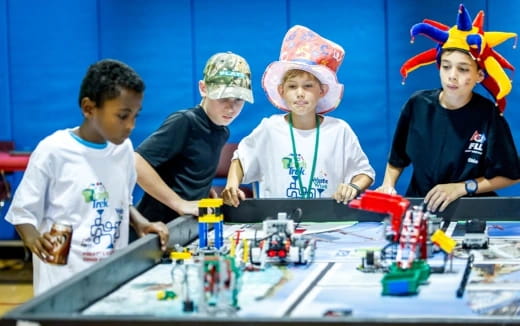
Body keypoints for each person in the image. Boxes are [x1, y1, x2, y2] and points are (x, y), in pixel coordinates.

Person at [4, 59, 169, 295]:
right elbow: (22, 211)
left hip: (109, 280)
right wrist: (32, 238)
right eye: (123, 116)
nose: (131, 125)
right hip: (62, 284)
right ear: (89, 108)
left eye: (135, 116)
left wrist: (141, 222)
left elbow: (121, 200)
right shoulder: (54, 150)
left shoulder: (123, 150)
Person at [376, 4, 520, 212]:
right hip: (420, 208)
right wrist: (387, 185)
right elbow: (397, 159)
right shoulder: (417, 105)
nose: (452, 75)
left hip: (470, 210)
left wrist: (462, 188)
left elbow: (510, 175)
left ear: (479, 75)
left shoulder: (488, 114)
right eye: (446, 66)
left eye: (462, 69)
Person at [223, 25, 375, 206]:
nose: (300, 93)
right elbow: (240, 159)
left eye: (308, 86)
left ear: (322, 91)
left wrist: (353, 186)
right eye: (292, 86)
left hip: (329, 222)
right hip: (278, 221)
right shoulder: (269, 128)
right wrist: (231, 184)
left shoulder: (339, 130)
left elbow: (365, 172)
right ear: (282, 91)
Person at [135, 52, 254, 223]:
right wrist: (179, 203)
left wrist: (205, 191)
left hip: (186, 228)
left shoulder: (222, 131)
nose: (231, 108)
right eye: (223, 97)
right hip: (154, 228)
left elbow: (186, 168)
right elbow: (136, 162)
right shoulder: (185, 122)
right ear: (203, 88)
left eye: (238, 99)